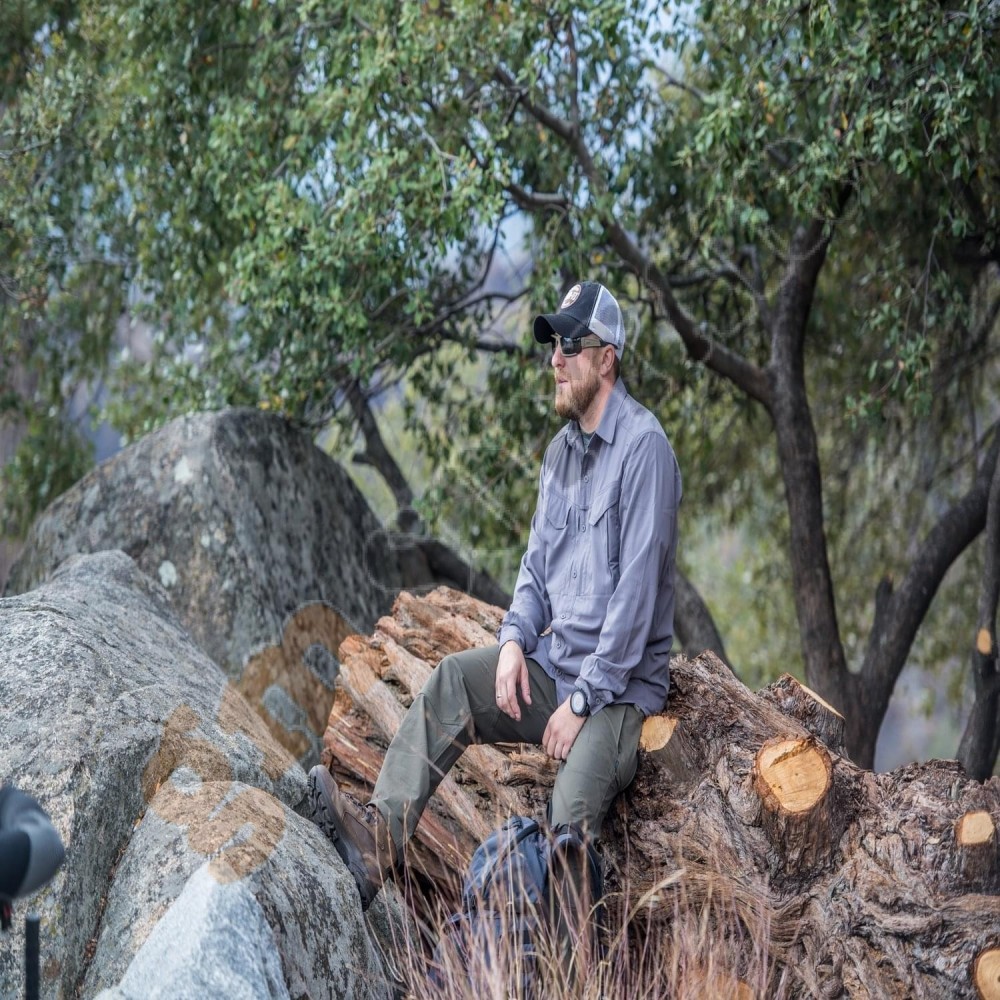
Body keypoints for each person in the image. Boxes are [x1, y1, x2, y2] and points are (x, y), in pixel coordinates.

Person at [308, 280, 681, 926]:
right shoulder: (560, 454)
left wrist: (581, 703)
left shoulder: (645, 448)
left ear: (606, 359)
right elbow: (535, 570)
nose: (555, 359)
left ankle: (568, 966)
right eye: (553, 345)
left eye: (570, 345)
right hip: (558, 667)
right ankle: (376, 846)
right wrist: (512, 643)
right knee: (453, 681)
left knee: (568, 817)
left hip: (619, 695)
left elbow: (636, 600)